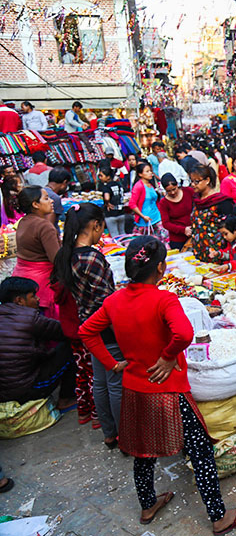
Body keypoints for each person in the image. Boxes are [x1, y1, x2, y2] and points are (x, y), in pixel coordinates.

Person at [78, 236, 236, 532]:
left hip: (135, 387)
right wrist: (168, 356)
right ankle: (219, 516)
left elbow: (87, 332)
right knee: (200, 451)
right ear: (161, 267)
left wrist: (112, 365)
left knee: (143, 452)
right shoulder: (164, 299)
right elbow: (184, 333)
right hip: (169, 390)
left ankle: (147, 505)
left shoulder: (113, 301)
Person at [50, 203, 123, 448]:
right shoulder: (91, 257)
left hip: (87, 323)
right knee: (114, 382)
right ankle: (124, 434)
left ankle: (109, 433)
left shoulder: (67, 254)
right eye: (101, 227)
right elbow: (107, 300)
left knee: (100, 382)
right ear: (95, 225)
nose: (102, 232)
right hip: (103, 326)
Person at [0, 276, 76, 406]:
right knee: (72, 345)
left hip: (3, 393)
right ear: (19, 300)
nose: (38, 299)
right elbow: (67, 332)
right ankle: (65, 399)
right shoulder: (29, 318)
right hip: (26, 390)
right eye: (33, 296)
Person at [12, 186, 59, 318]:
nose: (51, 201)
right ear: (35, 204)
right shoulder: (44, 226)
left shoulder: (23, 221)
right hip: (41, 283)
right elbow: (56, 259)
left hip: (21, 277)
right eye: (46, 198)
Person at [188, 165, 235, 263]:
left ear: (207, 180)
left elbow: (231, 227)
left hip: (217, 252)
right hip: (199, 250)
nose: (193, 184)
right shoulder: (196, 200)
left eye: (196, 181)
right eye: (191, 181)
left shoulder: (221, 201)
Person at [156, 175, 194, 251]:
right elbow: (166, 223)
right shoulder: (164, 203)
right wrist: (183, 230)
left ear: (177, 185)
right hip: (177, 238)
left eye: (174, 189)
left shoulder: (188, 191)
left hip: (193, 233)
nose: (172, 192)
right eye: (169, 191)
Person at [128, 162, 163, 237]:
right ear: (140, 174)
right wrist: (143, 216)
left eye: (150, 171)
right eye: (147, 171)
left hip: (156, 217)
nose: (150, 173)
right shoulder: (138, 186)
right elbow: (132, 204)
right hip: (144, 220)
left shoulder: (151, 184)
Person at [98, 165, 126, 238]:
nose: (100, 178)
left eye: (101, 176)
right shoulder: (118, 184)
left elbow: (107, 197)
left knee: (115, 236)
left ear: (108, 177)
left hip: (111, 214)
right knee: (122, 233)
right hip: (121, 213)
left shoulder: (106, 187)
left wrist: (107, 203)